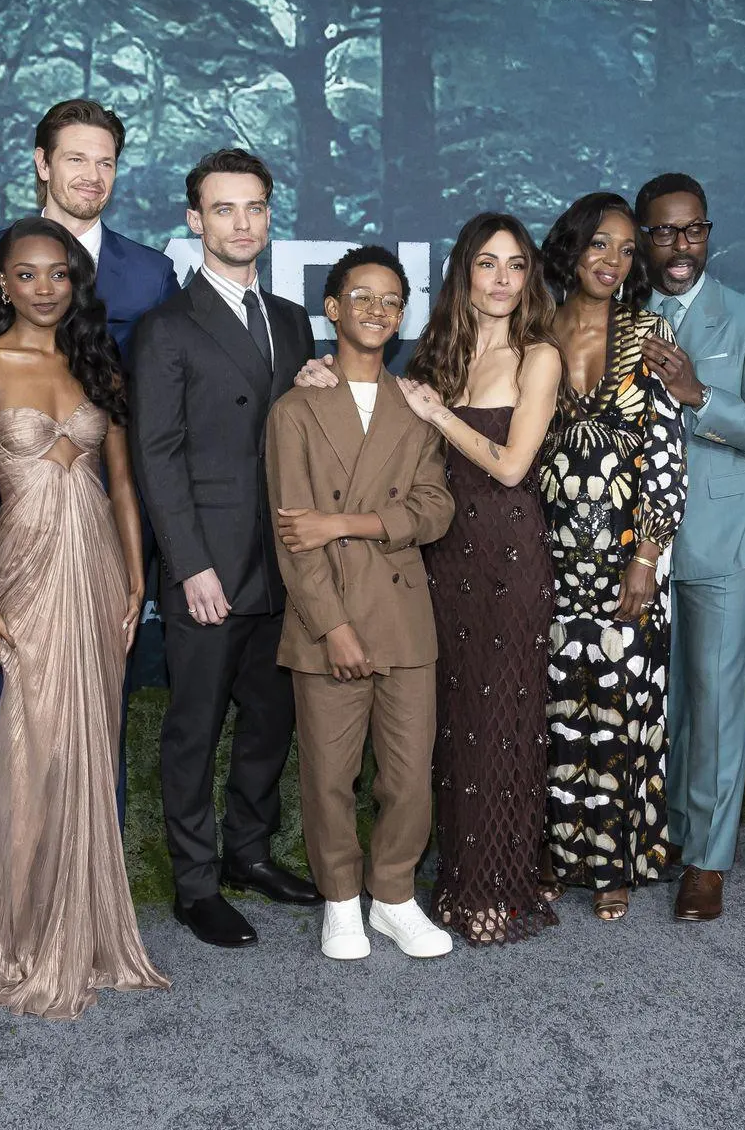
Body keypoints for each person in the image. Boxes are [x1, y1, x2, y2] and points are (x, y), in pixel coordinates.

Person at [0, 217, 168, 1018]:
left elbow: (124, 483)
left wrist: (136, 579)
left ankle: (91, 924)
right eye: (27, 274)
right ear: (2, 285)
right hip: (25, 571)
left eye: (59, 273)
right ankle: (22, 933)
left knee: (94, 742)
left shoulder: (95, 363)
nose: (44, 287)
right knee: (31, 747)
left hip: (101, 570)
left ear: (76, 283)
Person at [130, 148, 321, 949]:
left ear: (269, 216)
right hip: (209, 565)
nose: (242, 223)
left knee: (271, 720)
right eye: (223, 209)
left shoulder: (292, 320)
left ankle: (250, 854)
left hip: (283, 559)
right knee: (195, 727)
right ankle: (196, 884)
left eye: (254, 208)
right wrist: (189, 566)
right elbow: (156, 455)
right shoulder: (167, 326)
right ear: (194, 220)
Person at [266, 246, 456, 961]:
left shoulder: (418, 407)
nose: (377, 310)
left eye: (392, 301)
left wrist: (347, 522)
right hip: (329, 620)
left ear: (402, 316)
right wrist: (334, 628)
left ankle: (396, 897)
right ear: (333, 309)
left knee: (408, 779)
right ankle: (342, 901)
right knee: (329, 777)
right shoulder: (296, 410)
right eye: (362, 297)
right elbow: (294, 535)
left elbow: (435, 509)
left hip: (404, 618)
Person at [635, 173, 745, 921]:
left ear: (708, 233)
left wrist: (700, 396)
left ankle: (708, 858)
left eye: (694, 229)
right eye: (665, 231)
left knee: (715, 703)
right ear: (644, 237)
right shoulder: (618, 318)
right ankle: (662, 831)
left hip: (724, 536)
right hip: (633, 546)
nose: (682, 245)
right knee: (651, 698)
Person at [401, 212, 563, 945]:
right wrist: (323, 375)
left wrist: (438, 414)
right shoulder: (436, 354)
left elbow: (512, 466)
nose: (502, 279)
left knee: (505, 721)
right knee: (455, 721)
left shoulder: (538, 357)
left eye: (516, 265)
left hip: (510, 556)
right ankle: (459, 877)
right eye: (488, 263)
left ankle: (499, 884)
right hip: (443, 558)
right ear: (464, 272)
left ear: (530, 278)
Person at [537, 193, 687, 922]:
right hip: (543, 553)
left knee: (622, 707)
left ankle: (612, 863)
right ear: (572, 248)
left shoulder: (649, 332)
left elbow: (666, 451)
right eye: (601, 244)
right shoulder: (532, 332)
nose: (615, 261)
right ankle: (549, 854)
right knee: (551, 710)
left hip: (626, 556)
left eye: (628, 250)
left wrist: (647, 556)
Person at [0, 98, 176, 355]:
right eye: (76, 160)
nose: (93, 176)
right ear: (43, 164)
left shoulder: (152, 275)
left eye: (105, 163)